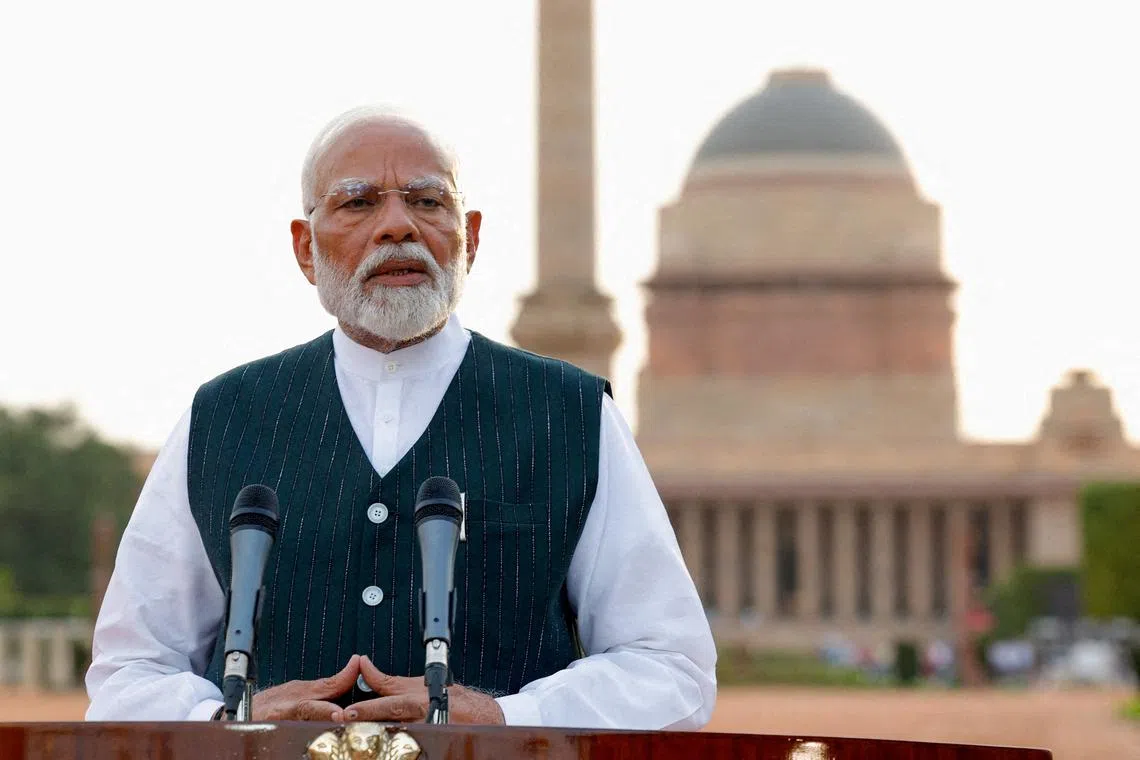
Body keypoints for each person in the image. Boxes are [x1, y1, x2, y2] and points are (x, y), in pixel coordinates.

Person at [85, 107, 717, 728]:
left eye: (426, 201)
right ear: (305, 249)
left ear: (470, 237)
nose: (397, 226)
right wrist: (230, 715)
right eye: (358, 203)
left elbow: (670, 666)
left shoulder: (570, 416)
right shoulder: (222, 420)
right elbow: (128, 673)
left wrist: (508, 717)